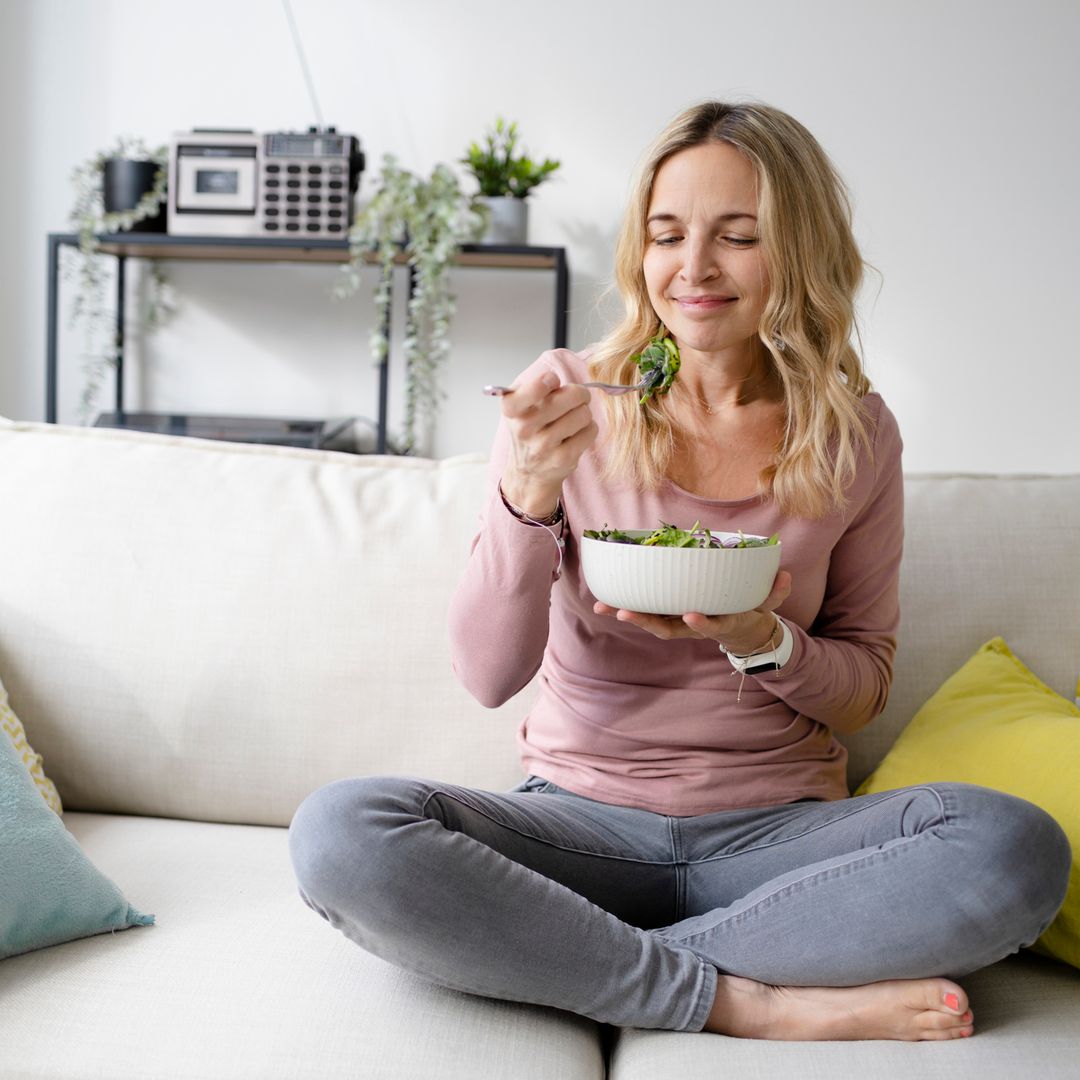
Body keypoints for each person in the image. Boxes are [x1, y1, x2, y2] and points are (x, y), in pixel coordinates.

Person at [289, 100, 1070, 1041]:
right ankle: (744, 1000)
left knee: (1016, 848)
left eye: (737, 237)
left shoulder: (856, 432)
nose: (693, 270)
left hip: (780, 838)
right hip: (577, 827)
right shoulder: (569, 403)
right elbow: (487, 676)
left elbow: (862, 690)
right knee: (341, 833)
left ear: (799, 253)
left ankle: (572, 957)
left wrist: (761, 639)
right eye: (667, 236)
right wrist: (528, 493)